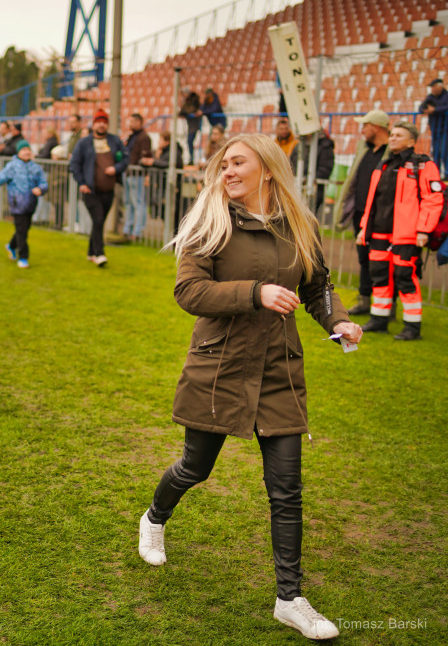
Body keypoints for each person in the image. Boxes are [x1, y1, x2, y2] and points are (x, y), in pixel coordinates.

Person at [138, 133, 362, 641]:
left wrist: (340, 320)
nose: (227, 172)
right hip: (220, 368)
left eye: (237, 162)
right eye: (223, 165)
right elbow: (189, 292)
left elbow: (317, 286)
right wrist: (255, 293)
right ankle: (154, 518)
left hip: (280, 372)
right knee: (196, 467)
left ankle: (290, 598)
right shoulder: (209, 222)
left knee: (287, 490)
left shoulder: (300, 224)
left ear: (268, 167)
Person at [357, 121, 444, 340]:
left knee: (405, 277)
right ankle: (379, 319)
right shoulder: (383, 165)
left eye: (399, 135)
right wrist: (363, 228)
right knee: (379, 276)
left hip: (407, 234)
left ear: (412, 141)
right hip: (378, 232)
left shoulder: (423, 165)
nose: (393, 138)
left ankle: (412, 327)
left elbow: (433, 201)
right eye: (392, 134)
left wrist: (424, 230)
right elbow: (371, 201)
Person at [336, 109, 390, 316]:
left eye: (365, 126)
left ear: (376, 127)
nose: (361, 130)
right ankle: (364, 300)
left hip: (381, 217)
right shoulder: (364, 149)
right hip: (360, 214)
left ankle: (385, 305)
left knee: (381, 262)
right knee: (363, 259)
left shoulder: (391, 152)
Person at [69, 109, 129, 267]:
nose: (102, 125)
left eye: (104, 122)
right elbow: (74, 164)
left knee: (98, 222)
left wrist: (116, 168)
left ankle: (90, 252)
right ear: (94, 124)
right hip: (90, 191)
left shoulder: (115, 141)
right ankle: (100, 254)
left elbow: (125, 158)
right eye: (99, 122)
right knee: (98, 219)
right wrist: (81, 183)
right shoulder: (84, 143)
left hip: (108, 190)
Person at [0, 140, 48, 269]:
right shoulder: (12, 166)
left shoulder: (36, 168)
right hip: (17, 204)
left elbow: (43, 182)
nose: (26, 152)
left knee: (24, 229)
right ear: (18, 152)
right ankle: (23, 257)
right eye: (23, 150)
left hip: (31, 204)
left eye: (28, 149)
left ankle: (11, 245)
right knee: (22, 231)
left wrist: (41, 189)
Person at [289, 130, 336, 214]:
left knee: (309, 215)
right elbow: (290, 163)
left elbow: (325, 169)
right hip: (296, 186)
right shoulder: (298, 145)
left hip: (315, 189)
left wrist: (309, 180)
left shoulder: (325, 146)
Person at [123, 113, 153, 240]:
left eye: (133, 122)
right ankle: (128, 228)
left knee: (138, 203)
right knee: (129, 202)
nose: (130, 124)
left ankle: (137, 231)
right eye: (129, 122)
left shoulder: (144, 137)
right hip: (129, 173)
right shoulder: (132, 137)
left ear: (139, 122)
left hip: (137, 175)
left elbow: (145, 157)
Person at [419, 77, 448, 176]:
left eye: (434, 86)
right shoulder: (430, 97)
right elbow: (421, 108)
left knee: (444, 152)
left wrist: (434, 110)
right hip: (435, 128)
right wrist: (426, 110)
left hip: (445, 129)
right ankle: (436, 173)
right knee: (436, 153)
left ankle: (446, 173)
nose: (432, 89)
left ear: (440, 86)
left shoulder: (446, 96)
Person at [179, 87, 202, 165]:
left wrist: (185, 113)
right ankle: (191, 158)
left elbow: (189, 110)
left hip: (195, 124)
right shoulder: (187, 100)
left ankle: (192, 159)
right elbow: (182, 111)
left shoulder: (194, 100)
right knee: (189, 142)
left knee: (190, 141)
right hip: (191, 124)